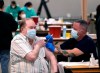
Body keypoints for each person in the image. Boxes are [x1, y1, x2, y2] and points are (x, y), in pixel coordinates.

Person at [0, 0, 18, 73]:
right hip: (5, 44)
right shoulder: (8, 16)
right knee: (5, 64)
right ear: (3, 6)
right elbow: (15, 27)